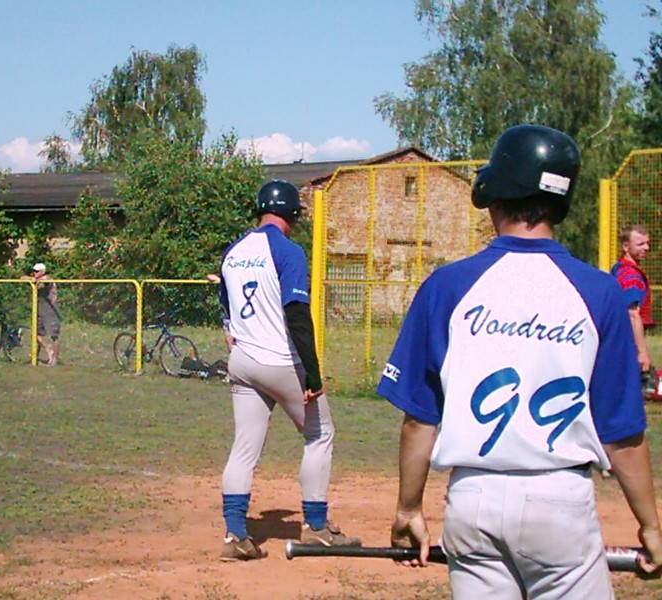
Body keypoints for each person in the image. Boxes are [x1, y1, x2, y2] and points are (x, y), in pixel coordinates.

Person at [379, 125, 662, 598]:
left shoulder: (447, 286)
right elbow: (622, 433)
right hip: (559, 501)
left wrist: (409, 508)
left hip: (472, 500)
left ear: (495, 195)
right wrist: (649, 523)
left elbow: (420, 419)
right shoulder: (599, 292)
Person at [218, 179, 360, 561]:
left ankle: (235, 534)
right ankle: (316, 527)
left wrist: (232, 333)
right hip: (280, 361)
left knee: (245, 445)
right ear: (292, 214)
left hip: (243, 361)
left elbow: (226, 307)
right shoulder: (288, 250)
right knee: (319, 433)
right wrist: (312, 374)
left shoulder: (233, 251)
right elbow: (297, 315)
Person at [611, 225, 654, 373]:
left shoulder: (619, 268)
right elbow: (632, 314)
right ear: (626, 246)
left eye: (648, 243)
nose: (646, 247)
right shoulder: (631, 275)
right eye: (640, 244)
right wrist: (642, 352)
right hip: (626, 343)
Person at [31, 263, 61, 366]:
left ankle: (55, 360)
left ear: (42, 272)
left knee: (54, 335)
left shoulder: (47, 279)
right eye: (34, 271)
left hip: (51, 311)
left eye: (37, 271)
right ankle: (46, 350)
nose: (34, 273)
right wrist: (31, 279)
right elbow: (22, 277)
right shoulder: (34, 280)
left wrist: (37, 280)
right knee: (36, 334)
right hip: (39, 311)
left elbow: (46, 281)